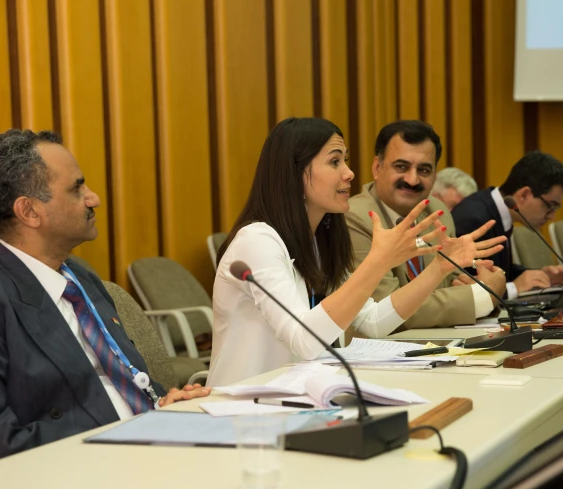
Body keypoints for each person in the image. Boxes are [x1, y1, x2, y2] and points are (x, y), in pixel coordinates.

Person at [0, 130, 211, 471]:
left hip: (147, 453)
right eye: (77, 188)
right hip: (70, 481)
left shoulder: (79, 276)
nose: (94, 198)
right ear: (29, 211)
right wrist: (129, 418)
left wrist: (162, 404)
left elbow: (123, 378)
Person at [208, 118, 504, 386]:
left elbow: (372, 322)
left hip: (298, 400)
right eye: (335, 162)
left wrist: (438, 269)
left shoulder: (318, 241)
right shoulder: (258, 241)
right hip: (241, 410)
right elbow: (304, 339)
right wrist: (378, 263)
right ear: (295, 172)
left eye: (345, 161)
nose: (349, 173)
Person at [347, 120, 505, 328]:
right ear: (377, 167)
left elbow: (455, 282)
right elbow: (387, 311)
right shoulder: (354, 218)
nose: (412, 180)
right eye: (401, 166)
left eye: (423, 170)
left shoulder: (435, 211)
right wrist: (484, 296)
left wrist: (482, 283)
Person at [452, 151, 563, 299]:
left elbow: (498, 269)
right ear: (524, 194)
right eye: (550, 206)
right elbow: (464, 291)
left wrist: (540, 276)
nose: (552, 216)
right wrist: (514, 287)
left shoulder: (495, 210)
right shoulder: (474, 219)